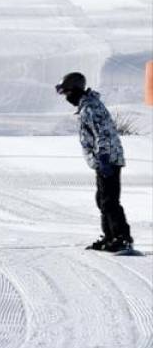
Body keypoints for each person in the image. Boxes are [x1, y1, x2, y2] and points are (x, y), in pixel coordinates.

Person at [55, 73, 134, 253]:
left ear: (75, 90)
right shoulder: (86, 107)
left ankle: (122, 238)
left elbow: (103, 133)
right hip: (102, 160)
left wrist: (104, 158)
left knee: (109, 201)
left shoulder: (91, 107)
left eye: (67, 93)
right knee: (102, 200)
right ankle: (110, 236)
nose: (67, 98)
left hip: (109, 160)